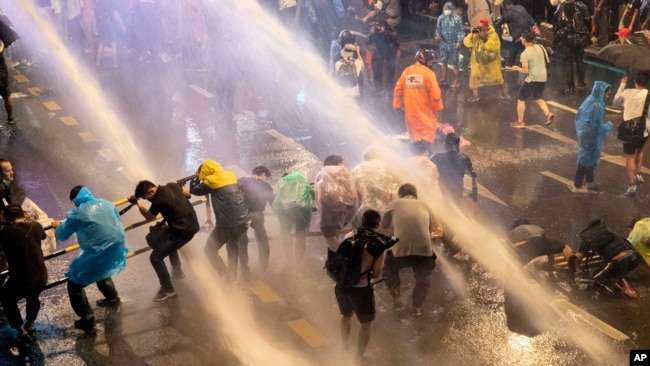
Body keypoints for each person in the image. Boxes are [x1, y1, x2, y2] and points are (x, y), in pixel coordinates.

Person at [52, 186, 128, 332]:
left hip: (98, 251)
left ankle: (87, 318)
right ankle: (113, 299)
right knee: (104, 271)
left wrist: (58, 226)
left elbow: (62, 235)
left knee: (74, 282)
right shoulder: (107, 203)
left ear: (74, 200)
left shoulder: (78, 212)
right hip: (117, 246)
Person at [133, 179, 200, 301]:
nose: (147, 199)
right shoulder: (172, 185)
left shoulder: (158, 201)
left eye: (146, 197)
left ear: (152, 190)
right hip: (192, 224)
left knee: (155, 258)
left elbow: (149, 217)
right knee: (165, 239)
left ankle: (168, 290)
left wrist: (138, 203)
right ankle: (177, 271)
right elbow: (188, 194)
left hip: (184, 232)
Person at [380, 183, 441, 316]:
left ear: (400, 195)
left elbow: (384, 225)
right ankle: (416, 307)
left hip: (400, 253)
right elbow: (430, 231)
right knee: (423, 277)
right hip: (424, 252)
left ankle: (397, 302)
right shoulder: (426, 206)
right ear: (415, 195)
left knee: (388, 269)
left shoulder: (394, 204)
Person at [334, 209, 386, 364]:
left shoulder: (349, 236)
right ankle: (358, 356)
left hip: (342, 285)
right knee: (366, 323)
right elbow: (376, 273)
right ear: (378, 224)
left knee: (346, 316)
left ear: (362, 221)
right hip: (361, 289)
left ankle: (344, 348)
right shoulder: (378, 243)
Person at [189, 160, 250, 280]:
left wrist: (196, 177)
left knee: (209, 249)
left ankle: (226, 276)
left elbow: (194, 190)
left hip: (227, 224)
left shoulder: (212, 180)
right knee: (232, 245)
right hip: (243, 220)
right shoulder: (230, 174)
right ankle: (233, 276)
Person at [0, 204, 47, 343]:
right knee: (33, 297)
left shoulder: (5, 232)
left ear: (7, 218)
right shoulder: (37, 226)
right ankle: (30, 324)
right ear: (23, 214)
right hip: (41, 276)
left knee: (7, 299)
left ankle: (21, 330)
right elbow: (43, 236)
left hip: (21, 278)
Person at [570, 218, 640, 298]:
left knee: (597, 277)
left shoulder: (588, 240)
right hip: (635, 258)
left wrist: (577, 272)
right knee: (613, 272)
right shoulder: (610, 233)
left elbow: (576, 258)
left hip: (619, 261)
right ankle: (626, 288)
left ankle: (617, 294)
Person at [392, 49, 444, 144]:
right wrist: (439, 107)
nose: (431, 64)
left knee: (414, 141)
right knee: (426, 141)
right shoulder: (429, 74)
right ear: (426, 61)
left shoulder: (408, 71)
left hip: (410, 116)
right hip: (425, 116)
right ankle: (423, 156)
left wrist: (397, 106)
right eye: (430, 61)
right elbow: (436, 94)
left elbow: (397, 89)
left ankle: (415, 156)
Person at [612, 72, 650, 195]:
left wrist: (622, 84)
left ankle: (632, 185)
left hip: (629, 130)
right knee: (639, 149)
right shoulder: (648, 95)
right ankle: (638, 174)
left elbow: (615, 102)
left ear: (635, 82)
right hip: (644, 130)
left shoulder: (627, 92)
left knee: (630, 157)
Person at [508, 30, 554, 128]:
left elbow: (525, 71)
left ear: (524, 40)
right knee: (537, 97)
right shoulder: (541, 47)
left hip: (533, 79)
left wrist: (516, 68)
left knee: (521, 98)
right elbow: (548, 60)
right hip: (543, 77)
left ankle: (520, 122)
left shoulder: (525, 54)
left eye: (521, 37)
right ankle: (548, 114)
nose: (520, 38)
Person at [572, 81, 613, 193]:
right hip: (591, 134)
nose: (607, 96)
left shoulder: (590, 100)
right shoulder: (597, 105)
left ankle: (590, 182)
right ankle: (577, 185)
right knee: (586, 159)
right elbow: (596, 124)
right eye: (606, 93)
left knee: (590, 158)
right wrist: (607, 126)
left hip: (587, 133)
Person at [315, 155, 358, 252]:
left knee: (329, 236)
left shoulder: (323, 173)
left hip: (329, 211)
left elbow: (320, 194)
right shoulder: (346, 174)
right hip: (346, 210)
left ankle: (344, 256)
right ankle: (337, 260)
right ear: (338, 163)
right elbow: (354, 194)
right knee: (335, 234)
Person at [463, 17, 511, 102]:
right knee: (474, 76)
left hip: (491, 62)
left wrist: (484, 38)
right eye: (479, 27)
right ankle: (475, 95)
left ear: (486, 26)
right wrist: (471, 34)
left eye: (482, 27)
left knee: (498, 78)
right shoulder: (476, 34)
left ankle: (504, 94)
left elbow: (492, 46)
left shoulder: (493, 35)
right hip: (478, 61)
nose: (480, 29)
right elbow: (467, 43)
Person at [237, 165, 275, 273]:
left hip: (241, 215)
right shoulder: (265, 185)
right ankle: (263, 268)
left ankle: (244, 270)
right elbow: (273, 203)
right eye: (266, 177)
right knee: (263, 240)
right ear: (263, 175)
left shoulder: (242, 181)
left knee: (242, 241)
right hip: (257, 215)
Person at [272, 171, 314, 264]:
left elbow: (276, 201)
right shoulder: (301, 180)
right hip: (301, 211)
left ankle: (290, 260)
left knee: (286, 234)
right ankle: (298, 262)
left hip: (285, 212)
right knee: (300, 234)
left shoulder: (281, 184)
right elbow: (313, 194)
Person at [350, 148, 400, 221]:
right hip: (389, 208)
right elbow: (400, 183)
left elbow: (354, 193)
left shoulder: (356, 169)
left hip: (367, 210)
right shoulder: (388, 166)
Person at [553, 0, 591, 94]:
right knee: (579, 60)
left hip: (566, 37)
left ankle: (570, 87)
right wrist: (587, 32)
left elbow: (557, 21)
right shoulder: (582, 6)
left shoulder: (562, 7)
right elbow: (588, 21)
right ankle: (581, 82)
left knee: (568, 62)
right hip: (580, 37)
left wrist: (557, 34)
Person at [431, 132, 478, 204]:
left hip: (441, 194)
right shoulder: (465, 158)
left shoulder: (437, 158)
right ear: (458, 144)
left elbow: (427, 171)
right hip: (457, 194)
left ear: (446, 145)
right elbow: (473, 175)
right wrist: (474, 194)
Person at [508, 219, 573, 265]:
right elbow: (547, 246)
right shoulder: (534, 227)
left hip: (531, 244)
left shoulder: (515, 231)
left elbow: (524, 242)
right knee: (565, 247)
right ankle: (575, 269)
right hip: (542, 240)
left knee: (517, 257)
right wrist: (551, 263)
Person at [498, 0, 536, 68]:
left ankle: (509, 64)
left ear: (505, 5)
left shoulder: (508, 12)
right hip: (530, 29)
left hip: (520, 33)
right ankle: (527, 63)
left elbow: (500, 22)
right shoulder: (520, 7)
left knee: (514, 46)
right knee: (525, 47)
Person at [434, 2, 465, 87]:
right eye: (446, 8)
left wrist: (459, 41)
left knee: (455, 63)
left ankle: (456, 80)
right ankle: (443, 78)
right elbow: (438, 29)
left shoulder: (457, 19)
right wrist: (437, 35)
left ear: (452, 9)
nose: (447, 10)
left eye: (449, 9)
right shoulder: (441, 18)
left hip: (454, 44)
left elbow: (461, 31)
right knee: (443, 61)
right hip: (444, 44)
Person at [367, 21, 399, 95]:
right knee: (377, 69)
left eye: (381, 26)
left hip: (390, 52)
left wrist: (385, 33)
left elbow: (396, 43)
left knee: (391, 69)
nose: (379, 28)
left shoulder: (391, 31)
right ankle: (378, 88)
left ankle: (389, 88)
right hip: (379, 52)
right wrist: (372, 33)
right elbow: (369, 42)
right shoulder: (375, 32)